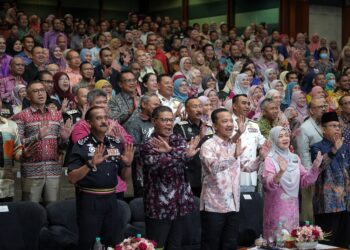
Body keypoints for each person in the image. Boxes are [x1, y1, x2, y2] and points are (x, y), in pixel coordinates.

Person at [199, 108, 269, 250]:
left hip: (234, 205)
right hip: (214, 206)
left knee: (230, 244)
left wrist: (260, 157)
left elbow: (248, 168)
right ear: (214, 126)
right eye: (224, 121)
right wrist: (234, 157)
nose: (230, 124)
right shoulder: (208, 145)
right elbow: (214, 168)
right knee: (211, 245)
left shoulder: (234, 145)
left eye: (231, 121)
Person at [67, 106, 134, 250]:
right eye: (98, 118)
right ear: (89, 123)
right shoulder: (81, 145)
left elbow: (124, 177)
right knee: (88, 243)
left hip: (111, 199)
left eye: (105, 117)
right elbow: (71, 178)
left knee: (112, 242)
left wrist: (128, 165)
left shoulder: (115, 143)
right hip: (89, 200)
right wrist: (90, 164)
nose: (104, 121)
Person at [140, 105, 200, 249]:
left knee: (175, 246)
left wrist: (170, 151)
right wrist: (179, 155)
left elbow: (186, 157)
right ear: (154, 121)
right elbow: (161, 164)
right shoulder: (148, 144)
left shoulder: (177, 139)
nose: (168, 123)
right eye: (164, 120)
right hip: (159, 206)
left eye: (170, 120)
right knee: (156, 246)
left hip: (179, 206)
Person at [12, 80, 72, 204]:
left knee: (53, 209)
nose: (40, 93)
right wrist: (37, 136)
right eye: (35, 91)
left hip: (53, 170)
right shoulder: (21, 116)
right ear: (28, 96)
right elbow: (17, 143)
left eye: (42, 90)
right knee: (30, 210)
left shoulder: (57, 115)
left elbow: (61, 146)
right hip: (31, 171)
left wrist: (65, 139)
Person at [262, 126, 322, 239]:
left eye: (286, 135)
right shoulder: (270, 159)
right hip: (276, 207)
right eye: (280, 136)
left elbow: (304, 181)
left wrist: (315, 168)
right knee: (277, 240)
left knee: (292, 239)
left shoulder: (295, 158)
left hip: (293, 208)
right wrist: (280, 172)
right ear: (274, 140)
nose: (285, 138)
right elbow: (268, 184)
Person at [310, 112, 350, 248]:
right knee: (326, 244)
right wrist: (333, 150)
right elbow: (319, 167)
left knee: (343, 243)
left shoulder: (345, 147)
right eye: (333, 126)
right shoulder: (317, 147)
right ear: (323, 129)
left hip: (345, 203)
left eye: (339, 126)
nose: (337, 129)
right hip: (326, 204)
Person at [295, 97, 327, 222]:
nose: (323, 109)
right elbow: (303, 154)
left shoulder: (322, 125)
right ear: (311, 111)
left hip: (324, 172)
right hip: (311, 174)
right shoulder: (305, 128)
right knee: (309, 206)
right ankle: (309, 232)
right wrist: (309, 176)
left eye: (324, 106)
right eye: (320, 107)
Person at [174, 97, 213, 197]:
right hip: (191, 174)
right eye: (194, 107)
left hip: (208, 175)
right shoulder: (181, 127)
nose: (199, 109)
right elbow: (179, 150)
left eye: (200, 106)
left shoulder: (208, 126)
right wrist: (200, 137)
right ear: (187, 110)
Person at [124, 93, 160, 197]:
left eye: (159, 105)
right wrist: (152, 147)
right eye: (155, 105)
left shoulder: (159, 121)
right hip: (142, 172)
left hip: (160, 170)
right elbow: (132, 149)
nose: (158, 108)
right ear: (144, 104)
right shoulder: (134, 123)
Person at [231, 94, 267, 193]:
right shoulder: (228, 122)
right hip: (232, 173)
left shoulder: (254, 125)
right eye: (243, 103)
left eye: (248, 103)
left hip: (250, 174)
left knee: (248, 205)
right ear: (234, 106)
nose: (247, 106)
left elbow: (263, 144)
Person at [0, 98, 23, 202]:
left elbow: (17, 150)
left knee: (6, 216)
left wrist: (24, 154)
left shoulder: (11, 125)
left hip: (6, 185)